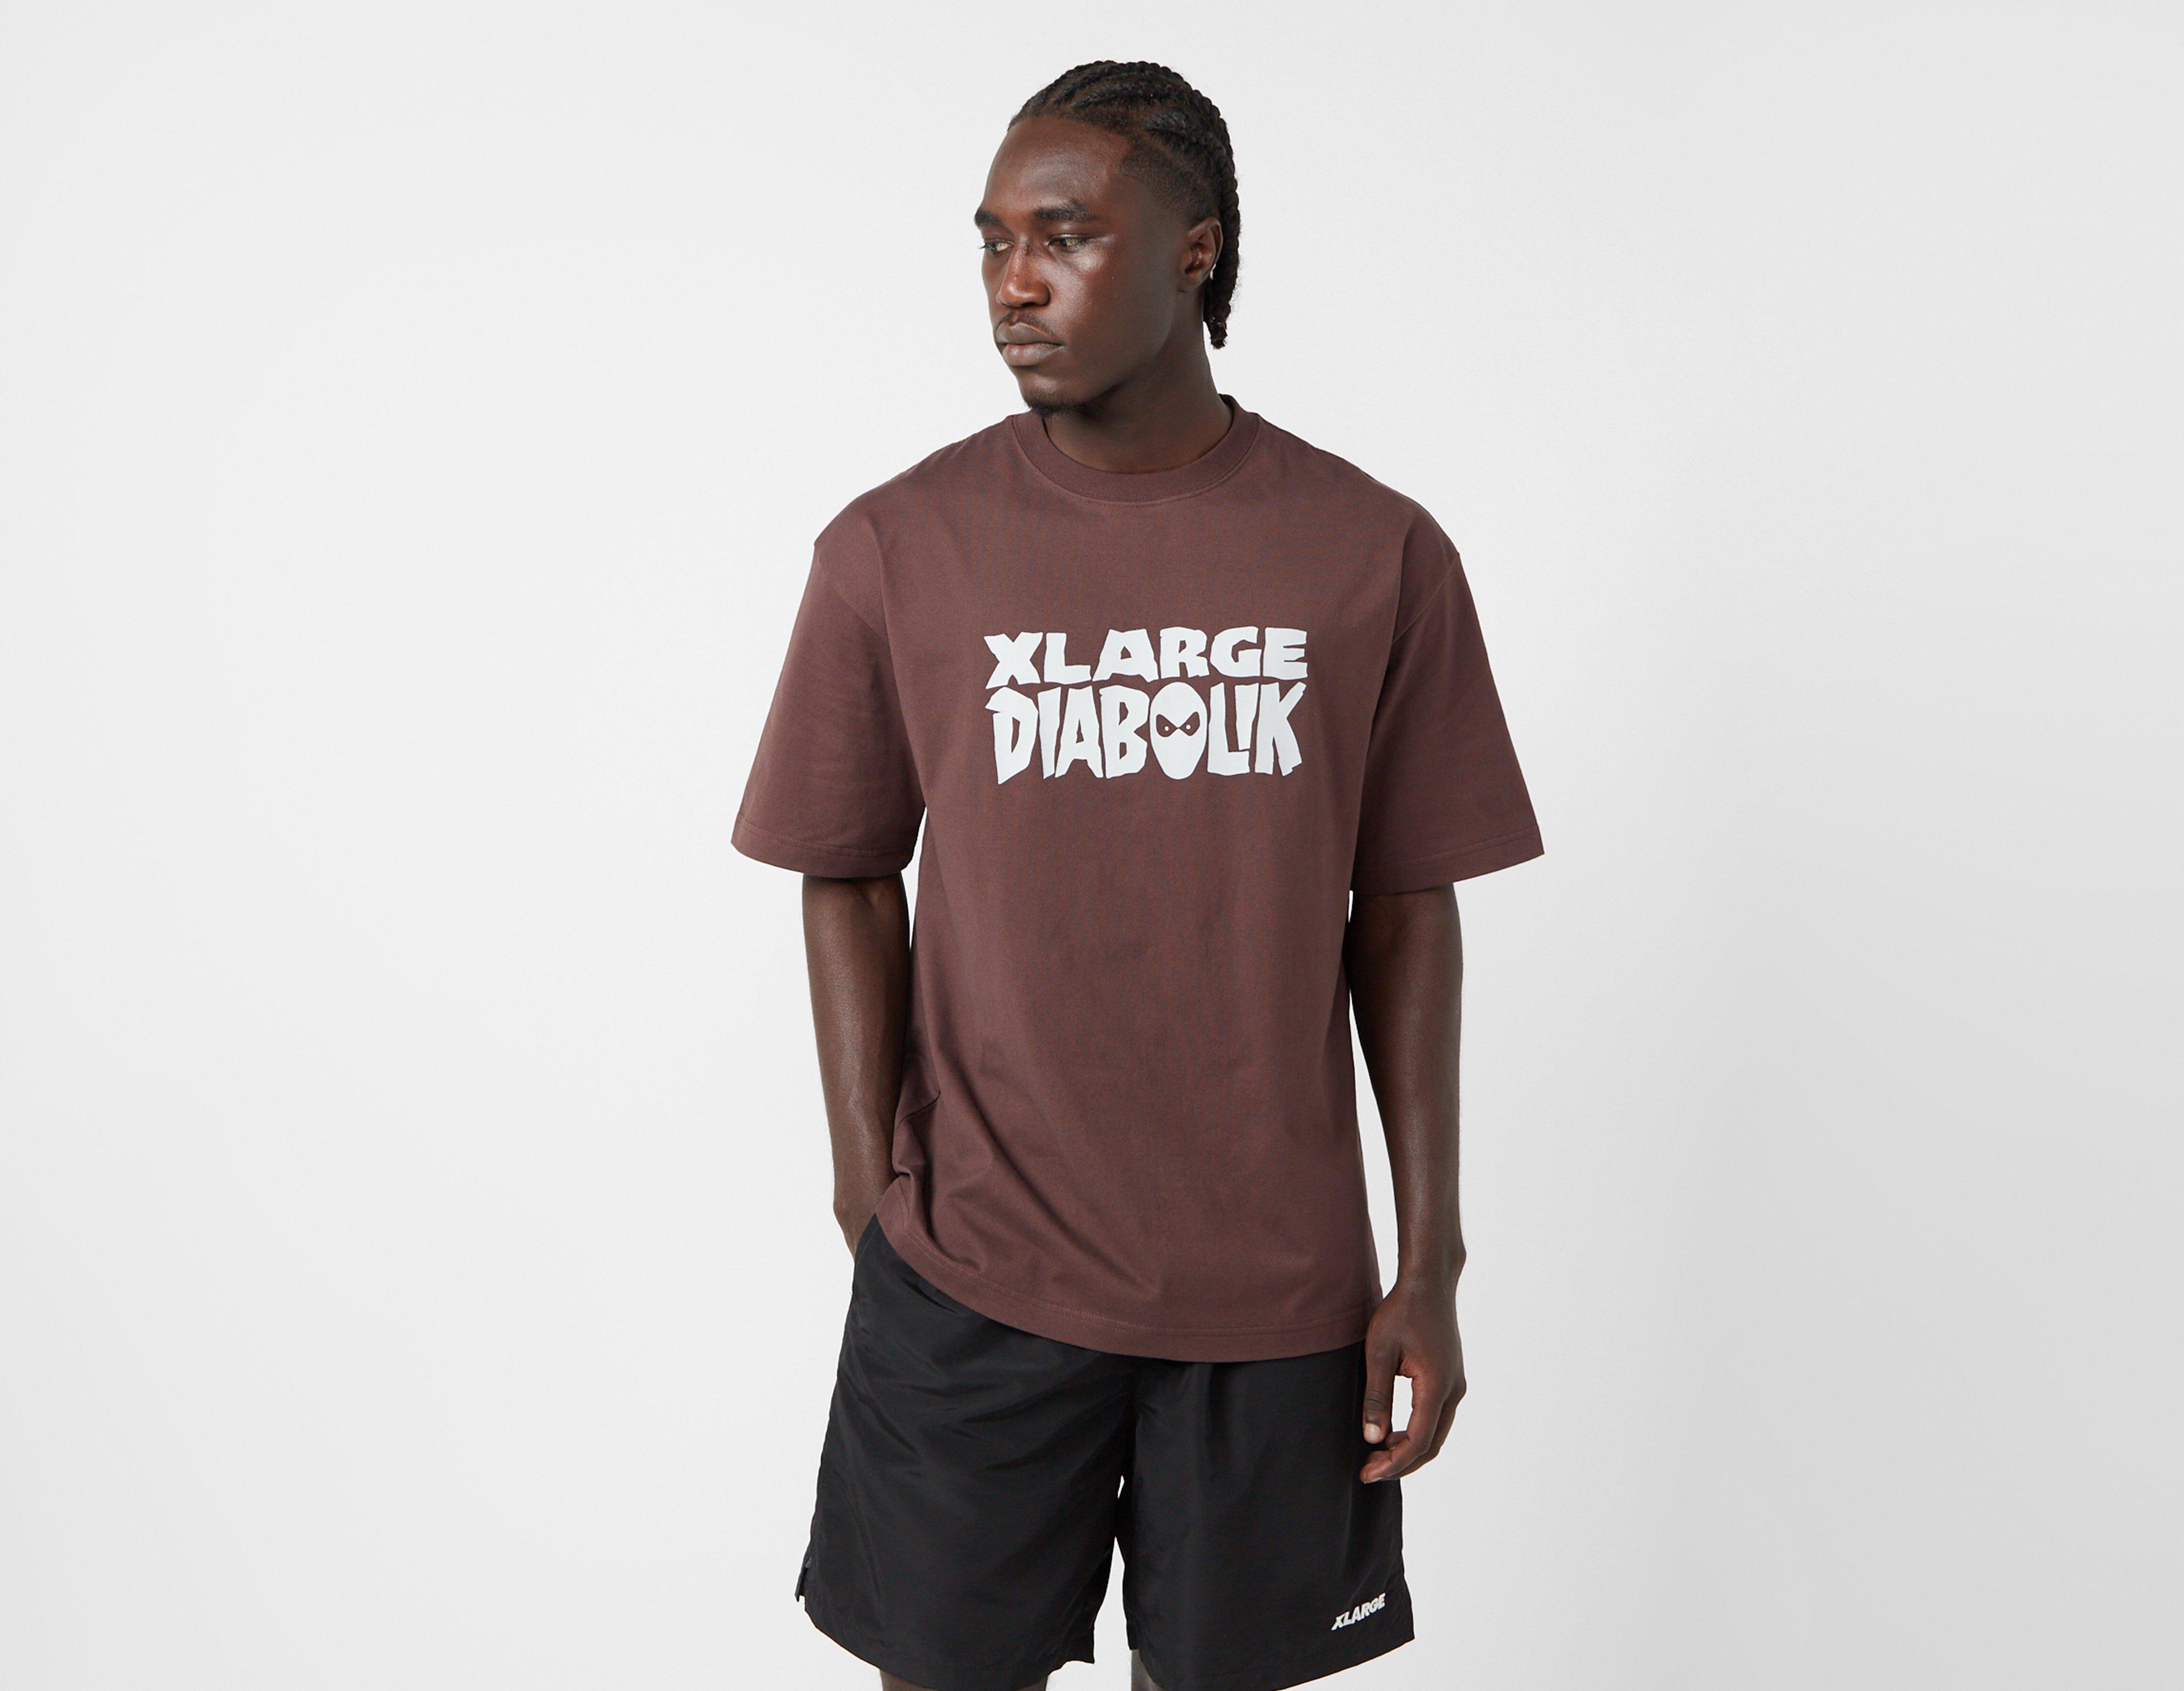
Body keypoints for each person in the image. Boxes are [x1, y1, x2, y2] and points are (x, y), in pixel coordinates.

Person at [732, 59, 1543, 1691]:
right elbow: (843, 868)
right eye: (991, 243)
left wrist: (1431, 1260)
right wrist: (864, 1191)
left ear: (1195, 251)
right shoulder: (896, 547)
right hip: (972, 1282)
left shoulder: (1373, 551)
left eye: (1065, 235)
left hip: (1276, 1301)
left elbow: (1407, 913)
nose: (1013, 285)